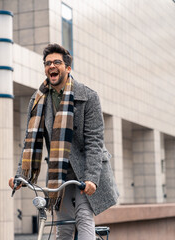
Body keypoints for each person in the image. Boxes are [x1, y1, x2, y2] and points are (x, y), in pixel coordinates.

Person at [9, 43, 119, 240]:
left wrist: (91, 178)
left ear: (68, 68)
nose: (51, 66)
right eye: (47, 63)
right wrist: (20, 176)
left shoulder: (89, 96)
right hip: (58, 171)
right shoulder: (38, 100)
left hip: (85, 169)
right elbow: (30, 141)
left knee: (84, 218)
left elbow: (94, 141)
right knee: (63, 228)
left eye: (57, 62)